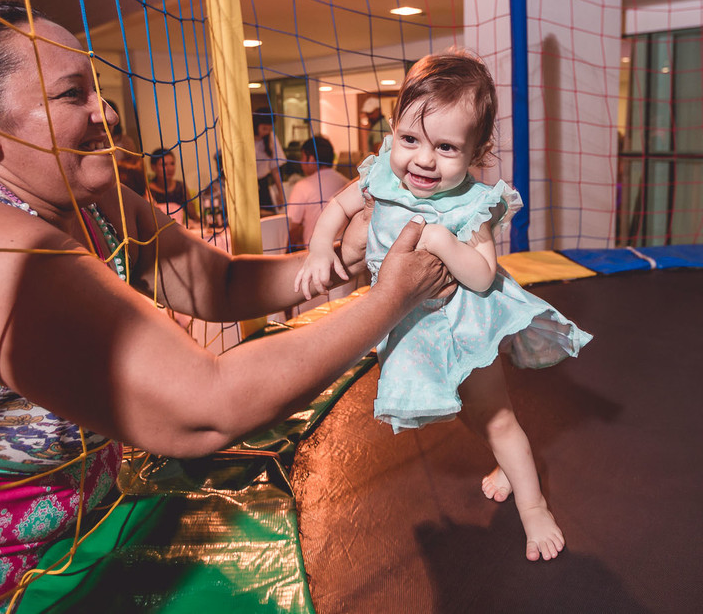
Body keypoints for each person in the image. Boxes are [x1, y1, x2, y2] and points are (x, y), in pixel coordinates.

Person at [0, 0, 451, 613]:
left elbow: (215, 285)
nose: (108, 113)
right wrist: (390, 299)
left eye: (97, 87)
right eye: (72, 96)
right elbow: (205, 410)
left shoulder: (89, 200)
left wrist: (349, 259)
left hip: (93, 529)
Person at [295, 50, 592, 562]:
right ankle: (503, 465)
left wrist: (441, 240)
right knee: (463, 412)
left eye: (447, 147)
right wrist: (322, 248)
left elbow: (480, 274)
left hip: (463, 326)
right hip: (413, 326)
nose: (424, 160)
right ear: (393, 133)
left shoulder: (469, 203)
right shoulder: (381, 177)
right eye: (410, 140)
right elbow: (338, 208)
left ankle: (534, 507)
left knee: (496, 416)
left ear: (477, 151)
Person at [285, 136, 350, 251]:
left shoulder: (302, 186)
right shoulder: (346, 183)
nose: (301, 162)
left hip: (316, 254)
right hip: (345, 250)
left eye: (302, 157)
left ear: (311, 159)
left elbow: (292, 229)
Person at [147, 146, 200, 225]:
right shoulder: (148, 190)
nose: (169, 168)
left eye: (172, 164)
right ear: (153, 167)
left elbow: (193, 215)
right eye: (164, 165)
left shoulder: (181, 187)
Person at [252, 107, 286, 214]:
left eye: (269, 130)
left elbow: (275, 169)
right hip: (247, 186)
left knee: (268, 216)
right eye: (264, 129)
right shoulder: (245, 138)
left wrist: (281, 193)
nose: (266, 132)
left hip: (263, 185)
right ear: (256, 125)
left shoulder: (271, 139)